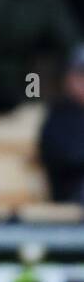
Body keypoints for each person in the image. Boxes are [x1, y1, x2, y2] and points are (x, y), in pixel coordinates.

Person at [39, 45, 84, 204]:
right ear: (69, 79)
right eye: (81, 75)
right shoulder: (60, 115)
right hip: (72, 195)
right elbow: (63, 157)